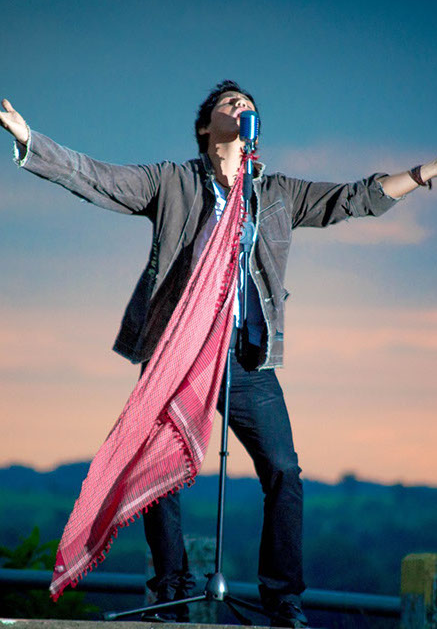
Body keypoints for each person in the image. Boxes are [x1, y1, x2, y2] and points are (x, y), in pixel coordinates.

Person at [1, 81, 435, 628]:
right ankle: (172, 593)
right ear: (207, 127)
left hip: (247, 358)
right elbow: (98, 178)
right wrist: (30, 140)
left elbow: (354, 198)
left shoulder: (275, 193)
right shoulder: (173, 181)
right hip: (180, 351)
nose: (241, 106)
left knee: (284, 471)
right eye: (230, 102)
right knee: (156, 469)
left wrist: (424, 172)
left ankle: (284, 601)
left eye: (248, 104)